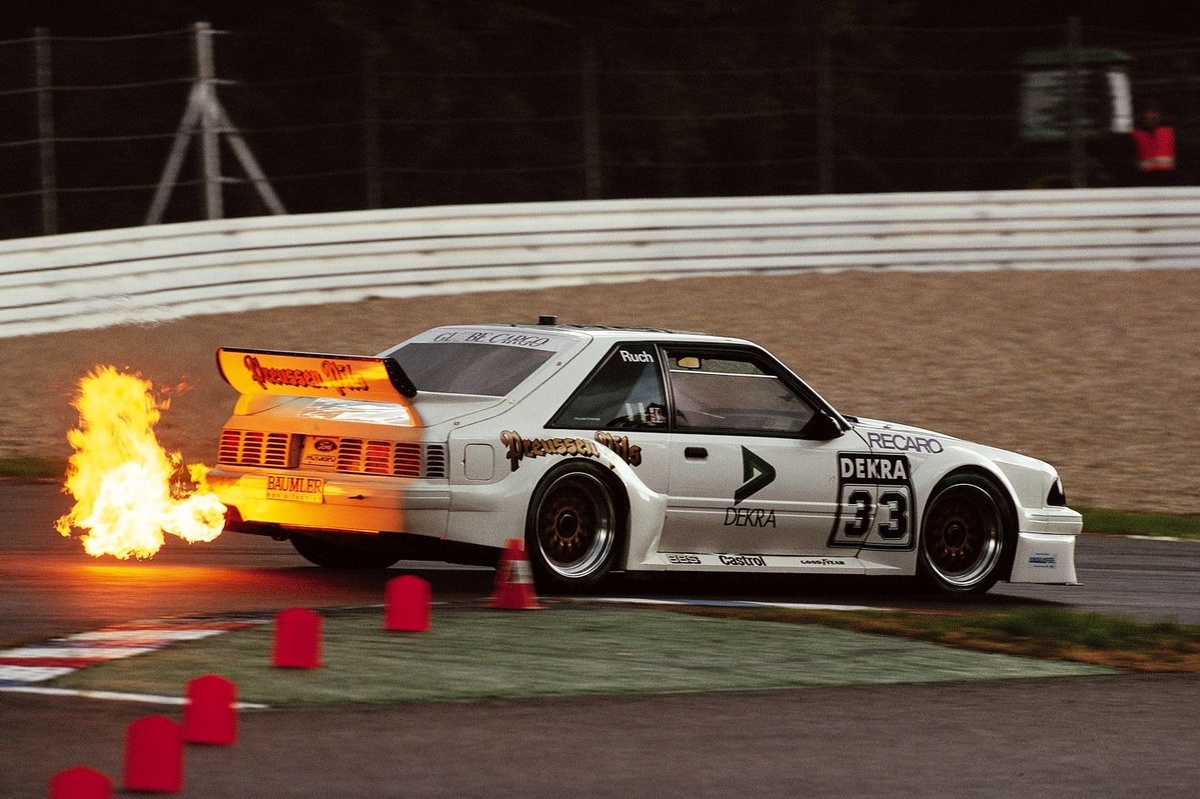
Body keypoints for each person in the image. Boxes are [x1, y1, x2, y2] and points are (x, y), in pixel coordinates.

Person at [1130, 100, 1177, 186]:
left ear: (1159, 115)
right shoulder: (1135, 135)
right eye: (1147, 113)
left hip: (1169, 182)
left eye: (1154, 112)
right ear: (1142, 115)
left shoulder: (1169, 132)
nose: (1150, 116)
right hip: (1144, 182)